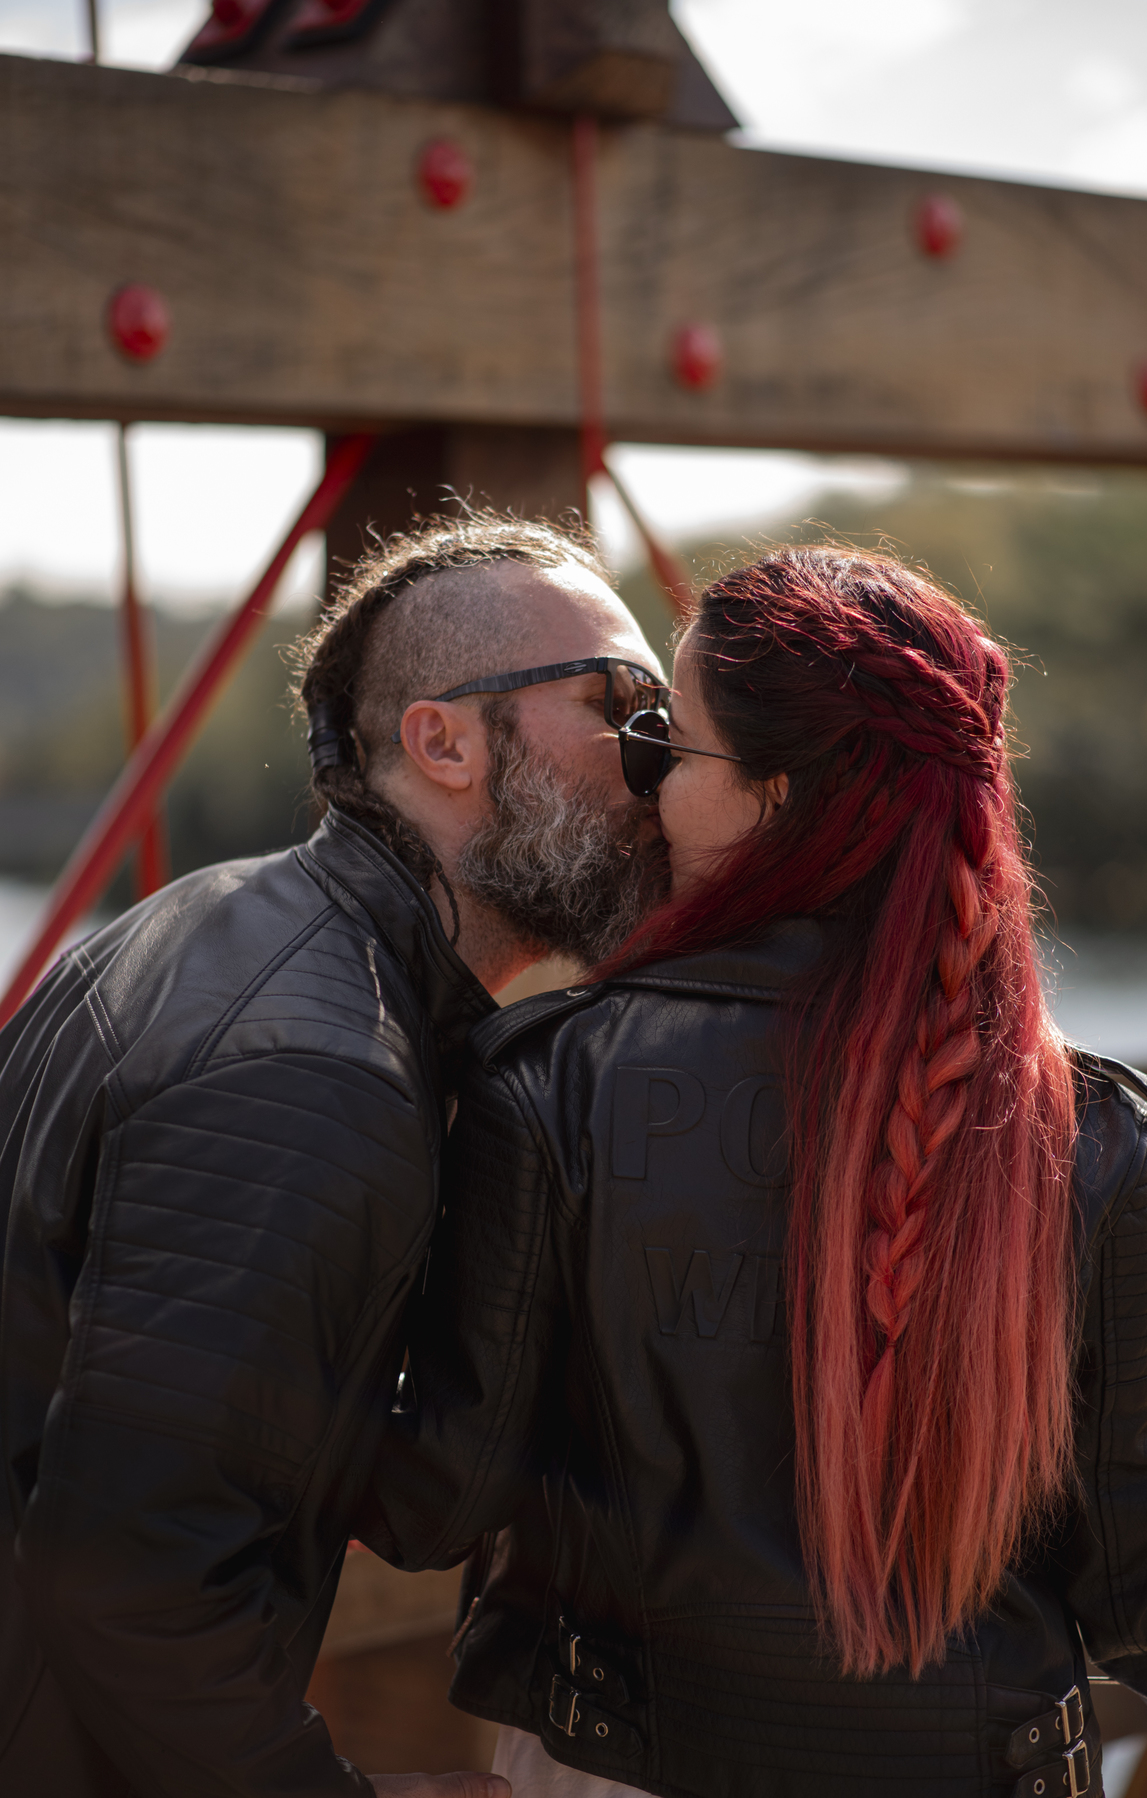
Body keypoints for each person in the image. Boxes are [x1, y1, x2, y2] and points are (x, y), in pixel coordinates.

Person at [364, 545, 1147, 1798]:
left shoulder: (551, 1080)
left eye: (669, 746)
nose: (645, 783)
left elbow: (435, 1502)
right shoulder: (1089, 1125)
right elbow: (1142, 1574)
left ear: (773, 795)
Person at [0, 512, 668, 1798]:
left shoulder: (223, 920)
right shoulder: (313, 1073)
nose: (659, 763)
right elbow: (131, 1586)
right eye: (624, 704)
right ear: (444, 741)